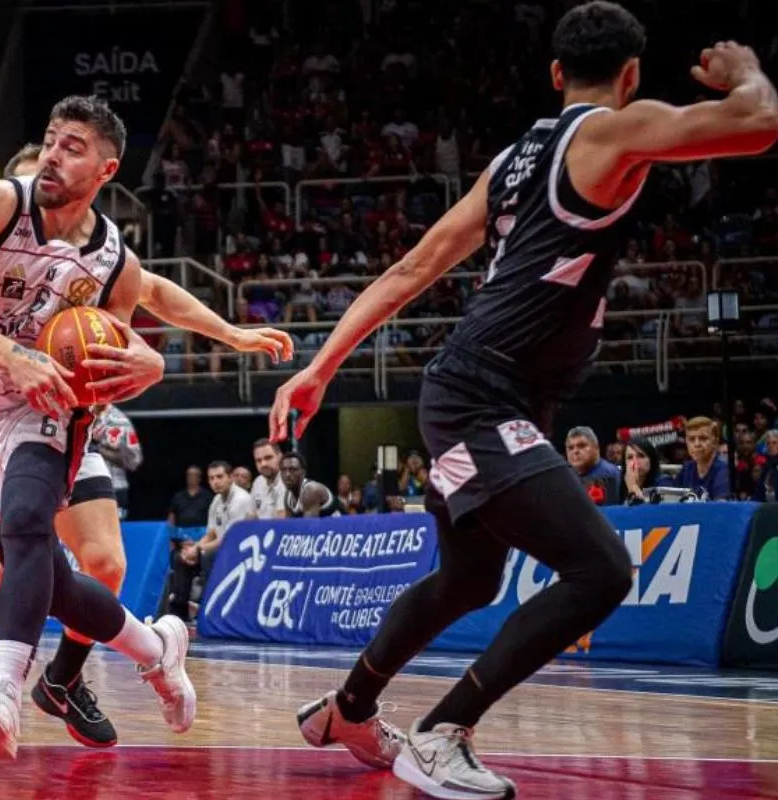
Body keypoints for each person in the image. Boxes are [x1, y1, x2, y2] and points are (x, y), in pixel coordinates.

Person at [269, 6, 778, 797]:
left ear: (553, 75)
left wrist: (321, 366)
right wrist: (744, 68)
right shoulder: (614, 130)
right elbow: (758, 124)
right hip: (483, 396)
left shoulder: (513, 158)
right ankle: (442, 731)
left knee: (468, 579)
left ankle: (349, 710)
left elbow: (413, 268)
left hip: (483, 389)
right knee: (602, 570)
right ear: (632, 75)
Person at [0, 136, 292, 761]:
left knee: (105, 562)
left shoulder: (94, 255)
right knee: (1, 565)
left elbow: (153, 293)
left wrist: (223, 335)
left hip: (59, 411)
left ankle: (59, 680)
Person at [167, 460, 255, 622]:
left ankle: (210, 611)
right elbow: (211, 533)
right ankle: (180, 615)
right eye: (212, 478)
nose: (215, 482)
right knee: (180, 558)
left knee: (208, 556)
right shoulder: (216, 501)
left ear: (230, 478)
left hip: (242, 552)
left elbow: (229, 538)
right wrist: (194, 548)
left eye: (220, 477)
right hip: (221, 550)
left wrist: (199, 550)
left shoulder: (241, 500)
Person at [279, 452, 341, 518]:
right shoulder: (288, 496)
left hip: (343, 526)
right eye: (283, 470)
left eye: (293, 469)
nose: (287, 474)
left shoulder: (311, 490)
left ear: (303, 472)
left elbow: (310, 526)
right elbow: (288, 525)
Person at [250, 438, 286, 519]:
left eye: (268, 458)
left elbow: (282, 523)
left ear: (280, 457)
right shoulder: (258, 481)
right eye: (258, 460)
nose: (263, 464)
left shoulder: (287, 481)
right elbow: (251, 515)